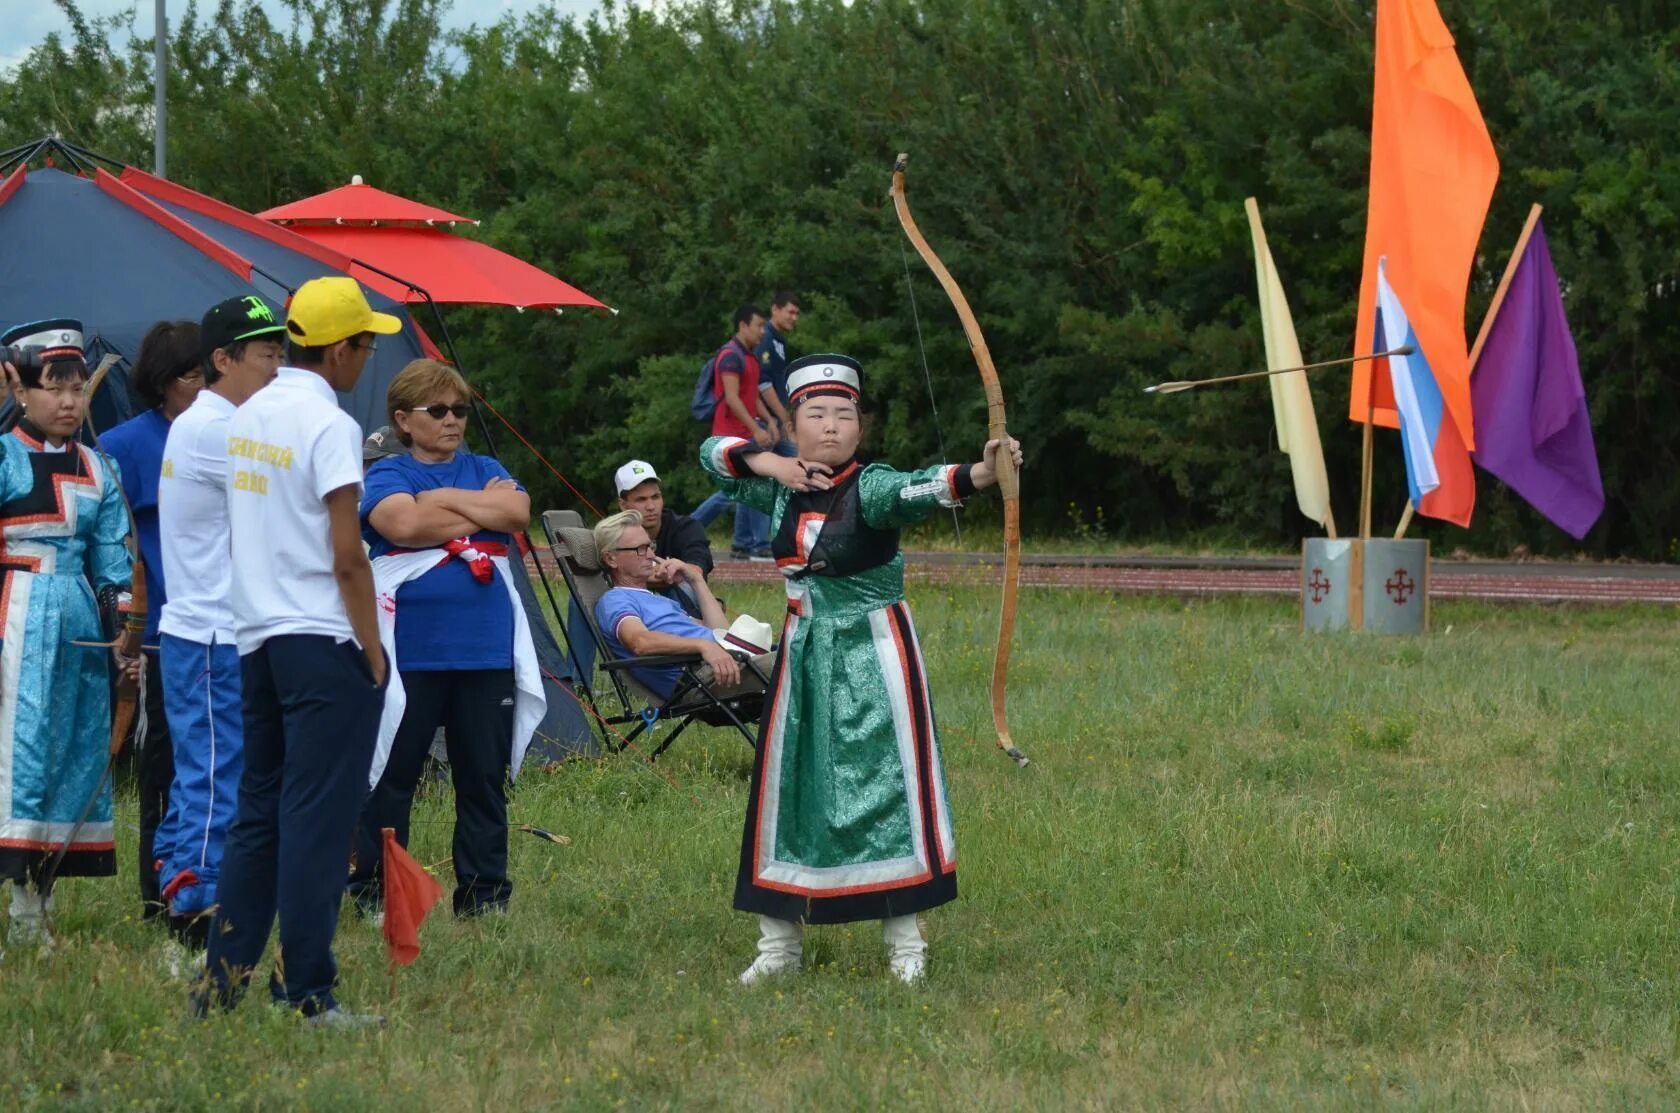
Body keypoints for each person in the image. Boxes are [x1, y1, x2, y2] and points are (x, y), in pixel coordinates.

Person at [699, 353, 1023, 986]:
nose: (829, 426)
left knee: (888, 790)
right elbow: (713, 450)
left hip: (876, 654)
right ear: (794, 424)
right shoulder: (772, 484)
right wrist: (771, 462)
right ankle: (778, 948)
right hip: (803, 656)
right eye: (814, 414)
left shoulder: (871, 485)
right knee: (789, 789)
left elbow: (926, 486)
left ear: (859, 428)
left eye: (843, 415)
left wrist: (988, 469)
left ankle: (907, 947)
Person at [198, 276, 399, 1026]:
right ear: (342, 349)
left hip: (259, 639)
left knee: (259, 814)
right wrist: (372, 650)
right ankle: (308, 990)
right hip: (322, 637)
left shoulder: (249, 413)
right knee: (317, 821)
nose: (365, 363)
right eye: (366, 347)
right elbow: (347, 553)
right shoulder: (330, 424)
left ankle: (222, 982)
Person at [349, 357, 544, 921]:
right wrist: (476, 511)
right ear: (404, 420)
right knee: (392, 777)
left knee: (481, 781)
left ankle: (484, 899)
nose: (453, 420)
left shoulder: (484, 463)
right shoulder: (388, 473)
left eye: (460, 409)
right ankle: (376, 896)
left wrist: (439, 504)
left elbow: (517, 511)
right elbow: (401, 526)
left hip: (484, 653)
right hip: (411, 654)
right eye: (438, 411)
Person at [153, 296, 285, 951]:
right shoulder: (215, 428)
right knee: (214, 777)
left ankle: (184, 897)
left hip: (217, 631)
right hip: (209, 635)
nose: (278, 366)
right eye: (265, 353)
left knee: (205, 774)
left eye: (283, 350)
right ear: (222, 358)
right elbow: (298, 491)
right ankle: (193, 920)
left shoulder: (220, 422)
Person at [0, 320, 132, 950]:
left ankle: (32, 911)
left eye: (79, 388)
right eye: (53, 387)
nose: (70, 401)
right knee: (14, 758)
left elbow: (111, 563)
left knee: (63, 760)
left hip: (77, 629)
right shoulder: (1, 458)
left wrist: (126, 641)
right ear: (17, 387)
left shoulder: (99, 469)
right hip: (12, 615)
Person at [101, 318, 205, 925]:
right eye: (189, 376)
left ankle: (216, 880)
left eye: (206, 374)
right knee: (166, 763)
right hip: (165, 627)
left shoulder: (230, 434)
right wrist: (133, 631)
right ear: (162, 383)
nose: (201, 386)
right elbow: (117, 548)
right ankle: (158, 892)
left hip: (231, 626)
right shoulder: (124, 445)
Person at [591, 509, 772, 700]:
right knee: (796, 663)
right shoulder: (615, 600)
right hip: (699, 679)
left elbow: (722, 633)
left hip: (727, 663)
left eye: (650, 546)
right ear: (611, 559)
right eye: (640, 549)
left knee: (794, 653)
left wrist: (695, 581)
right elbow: (639, 642)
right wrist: (703, 646)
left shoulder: (659, 600)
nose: (652, 555)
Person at [691, 306, 787, 560]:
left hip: (746, 433)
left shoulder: (751, 357)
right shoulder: (730, 356)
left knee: (743, 487)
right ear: (743, 326)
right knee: (733, 490)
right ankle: (690, 528)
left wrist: (769, 421)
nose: (761, 330)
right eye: (758, 325)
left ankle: (744, 543)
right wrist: (757, 428)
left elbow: (752, 394)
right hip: (728, 436)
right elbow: (733, 398)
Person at [755, 291, 802, 450]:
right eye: (790, 312)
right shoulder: (765, 337)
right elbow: (763, 383)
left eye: (797, 314)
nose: (794, 318)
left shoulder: (779, 340)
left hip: (775, 420)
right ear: (775, 309)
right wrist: (785, 419)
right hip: (764, 421)